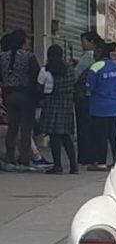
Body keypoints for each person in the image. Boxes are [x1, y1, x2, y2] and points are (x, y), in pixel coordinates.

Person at [0, 30, 41, 172]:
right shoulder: (29, 57)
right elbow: (36, 77)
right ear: (23, 41)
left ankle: (9, 159)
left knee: (12, 128)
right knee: (25, 130)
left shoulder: (2, 57)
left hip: (9, 96)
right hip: (25, 96)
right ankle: (24, 160)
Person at [85, 41, 116, 171]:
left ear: (99, 53)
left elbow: (89, 87)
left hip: (99, 108)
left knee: (100, 136)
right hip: (115, 107)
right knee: (113, 137)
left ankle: (101, 162)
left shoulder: (95, 67)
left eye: (95, 52)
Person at [38, 45, 77, 174]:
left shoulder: (46, 70)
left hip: (51, 103)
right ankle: (73, 166)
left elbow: (39, 86)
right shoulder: (70, 69)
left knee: (54, 135)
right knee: (66, 136)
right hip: (66, 105)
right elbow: (74, 84)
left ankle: (58, 165)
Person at [74, 30, 101, 167]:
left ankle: (84, 156)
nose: (82, 45)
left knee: (83, 128)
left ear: (91, 42)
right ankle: (94, 156)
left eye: (83, 42)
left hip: (84, 96)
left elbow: (76, 74)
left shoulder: (87, 56)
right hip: (97, 97)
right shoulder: (101, 56)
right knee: (94, 128)